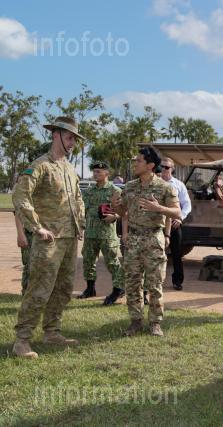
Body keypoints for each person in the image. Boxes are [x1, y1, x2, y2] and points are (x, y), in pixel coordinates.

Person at [11, 116, 86, 358]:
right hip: (48, 240)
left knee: (63, 288)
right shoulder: (40, 165)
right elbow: (20, 196)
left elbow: (77, 199)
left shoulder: (68, 168)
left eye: (74, 139)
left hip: (69, 238)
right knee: (40, 288)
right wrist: (36, 227)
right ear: (55, 135)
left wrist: (80, 224)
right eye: (69, 137)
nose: (72, 142)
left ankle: (52, 332)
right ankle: (22, 340)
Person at [111, 147, 181, 338]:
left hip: (153, 239)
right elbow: (123, 212)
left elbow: (177, 212)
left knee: (155, 284)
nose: (135, 164)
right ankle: (135, 321)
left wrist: (159, 208)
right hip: (133, 240)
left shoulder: (165, 187)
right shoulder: (129, 187)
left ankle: (155, 323)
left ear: (150, 165)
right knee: (132, 283)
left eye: (139, 161)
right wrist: (116, 206)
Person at [77, 161, 126, 305]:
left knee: (112, 263)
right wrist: (81, 227)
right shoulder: (89, 191)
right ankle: (90, 289)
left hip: (107, 234)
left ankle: (118, 289)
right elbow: (83, 211)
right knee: (88, 261)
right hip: (90, 233)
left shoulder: (115, 190)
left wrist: (114, 216)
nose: (95, 174)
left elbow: (124, 212)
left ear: (107, 173)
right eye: (94, 171)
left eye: (98, 171)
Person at [159, 157, 192, 291]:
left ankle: (177, 281)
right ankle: (154, 281)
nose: (164, 169)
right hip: (156, 223)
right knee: (154, 253)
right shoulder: (154, 183)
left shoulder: (179, 185)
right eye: (162, 166)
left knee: (176, 253)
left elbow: (187, 204)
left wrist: (180, 218)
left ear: (172, 169)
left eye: (167, 167)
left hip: (173, 223)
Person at [14, 215, 32, 296]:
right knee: (29, 266)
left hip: (52, 234)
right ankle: (26, 294)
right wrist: (20, 234)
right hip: (31, 235)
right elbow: (19, 213)